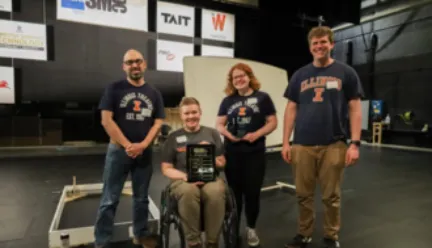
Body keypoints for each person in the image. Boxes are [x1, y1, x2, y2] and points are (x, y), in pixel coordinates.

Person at [281, 26, 364, 248]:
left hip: (334, 144)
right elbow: (291, 109)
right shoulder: (300, 75)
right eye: (315, 43)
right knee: (303, 195)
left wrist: (355, 143)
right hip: (302, 145)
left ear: (331, 44)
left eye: (323, 42)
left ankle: (331, 235)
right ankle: (304, 233)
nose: (319, 46)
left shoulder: (346, 73)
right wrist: (286, 142)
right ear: (310, 48)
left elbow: (355, 108)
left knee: (331, 196)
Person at [94, 49, 165, 248]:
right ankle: (102, 242)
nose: (134, 65)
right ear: (124, 66)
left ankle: (140, 235)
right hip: (118, 152)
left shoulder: (154, 93)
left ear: (144, 65)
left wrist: (143, 145)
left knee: (141, 198)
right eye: (130, 62)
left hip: (144, 153)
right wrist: (128, 146)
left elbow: (158, 122)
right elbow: (106, 121)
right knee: (109, 199)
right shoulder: (114, 89)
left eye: (138, 61)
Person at [216, 62, 277, 247]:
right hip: (233, 153)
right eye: (235, 77)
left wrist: (256, 134)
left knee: (252, 193)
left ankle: (251, 228)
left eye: (242, 76)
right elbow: (219, 123)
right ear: (231, 81)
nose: (239, 80)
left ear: (249, 77)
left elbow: (273, 122)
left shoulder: (263, 97)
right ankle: (234, 228)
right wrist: (228, 135)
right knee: (234, 194)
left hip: (254, 153)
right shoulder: (228, 100)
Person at [160, 97, 226, 248]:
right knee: (189, 191)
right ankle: (194, 242)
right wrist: (185, 176)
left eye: (194, 112)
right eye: (187, 113)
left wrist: (209, 153)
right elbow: (166, 168)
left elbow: (222, 163)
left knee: (216, 191)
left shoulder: (212, 134)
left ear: (200, 113)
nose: (191, 116)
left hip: (210, 178)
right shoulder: (173, 137)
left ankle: (212, 242)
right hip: (182, 180)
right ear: (181, 116)